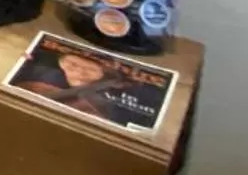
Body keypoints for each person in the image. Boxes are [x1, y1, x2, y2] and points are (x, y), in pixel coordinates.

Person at [16, 47, 158, 128]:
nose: (79, 71)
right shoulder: (42, 75)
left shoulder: (108, 102)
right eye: (72, 65)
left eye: (89, 70)